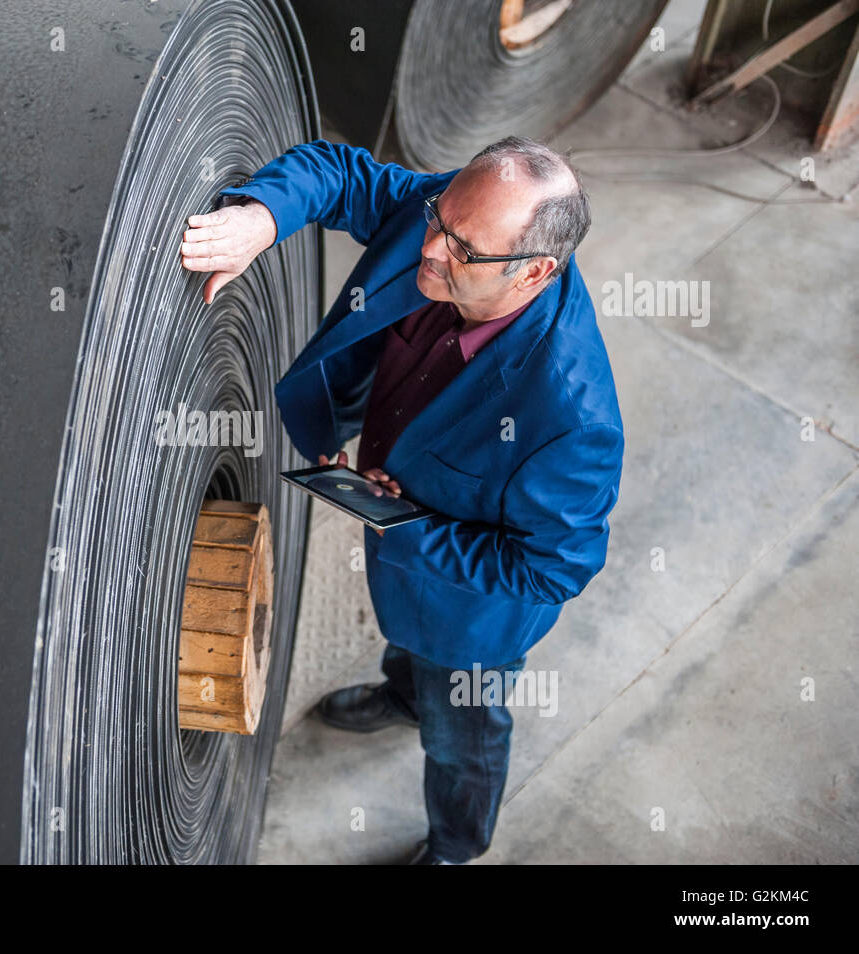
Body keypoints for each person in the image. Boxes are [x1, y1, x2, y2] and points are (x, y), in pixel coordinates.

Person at [180, 137, 624, 865]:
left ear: (535, 272)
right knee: (404, 641)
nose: (428, 250)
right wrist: (262, 216)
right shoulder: (457, 220)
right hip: (403, 555)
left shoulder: (571, 418)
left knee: (462, 743)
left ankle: (455, 843)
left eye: (462, 250)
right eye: (435, 221)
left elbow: (554, 569)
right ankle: (405, 692)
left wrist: (408, 528)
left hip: (469, 624)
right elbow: (339, 171)